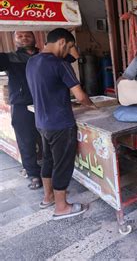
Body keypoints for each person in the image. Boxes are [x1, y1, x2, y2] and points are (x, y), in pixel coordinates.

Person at [26, 28, 94, 220]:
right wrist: (93, 107)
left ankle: (48, 198)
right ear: (62, 42)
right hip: (61, 124)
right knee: (63, 165)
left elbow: (47, 90)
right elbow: (80, 96)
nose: (69, 52)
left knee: (48, 160)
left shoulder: (32, 61)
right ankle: (62, 207)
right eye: (70, 46)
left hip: (42, 122)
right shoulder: (60, 64)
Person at [0, 31, 42, 189]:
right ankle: (33, 174)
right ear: (14, 40)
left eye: (27, 35)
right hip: (21, 105)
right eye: (20, 36)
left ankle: (50, 171)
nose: (24, 38)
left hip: (44, 104)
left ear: (35, 37)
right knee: (26, 141)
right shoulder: (8, 58)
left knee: (49, 138)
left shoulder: (44, 55)